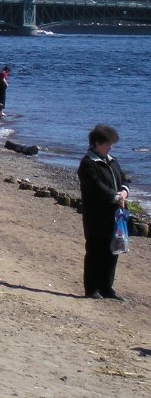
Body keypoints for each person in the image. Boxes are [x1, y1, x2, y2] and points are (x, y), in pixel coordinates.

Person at [77, 124, 129, 300]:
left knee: (113, 250)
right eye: (108, 143)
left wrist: (124, 192)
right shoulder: (87, 163)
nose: (111, 147)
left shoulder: (111, 161)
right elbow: (97, 187)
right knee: (95, 250)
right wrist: (115, 197)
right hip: (96, 215)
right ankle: (92, 289)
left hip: (114, 216)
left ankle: (107, 287)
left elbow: (124, 178)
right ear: (97, 143)